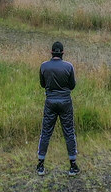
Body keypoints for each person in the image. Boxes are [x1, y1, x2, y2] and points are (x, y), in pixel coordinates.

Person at [36, 40, 79, 177]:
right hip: (65, 102)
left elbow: (43, 84)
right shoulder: (68, 66)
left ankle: (40, 165)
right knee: (69, 132)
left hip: (50, 101)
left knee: (46, 132)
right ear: (62, 53)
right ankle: (73, 165)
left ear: (51, 52)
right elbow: (72, 86)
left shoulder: (44, 66)